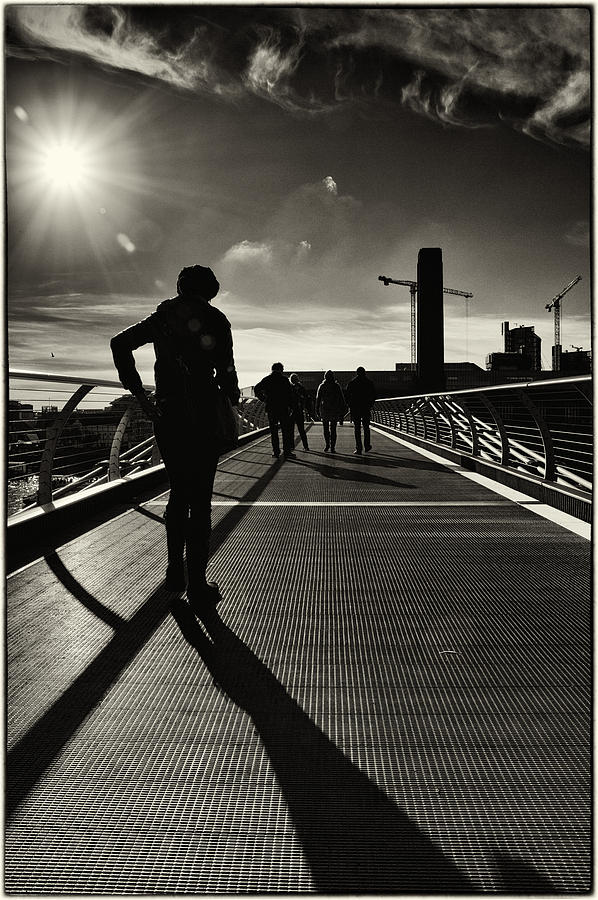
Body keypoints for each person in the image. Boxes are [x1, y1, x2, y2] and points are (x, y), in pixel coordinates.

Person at [110, 264, 239, 606]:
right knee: (200, 499)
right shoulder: (216, 320)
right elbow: (226, 368)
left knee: (179, 491)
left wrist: (137, 390)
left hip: (169, 413)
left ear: (181, 287)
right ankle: (197, 584)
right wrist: (232, 396)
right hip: (204, 413)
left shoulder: (161, 318)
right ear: (210, 289)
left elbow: (120, 343)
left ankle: (173, 571)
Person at [254, 363, 297, 459]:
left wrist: (263, 398)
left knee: (274, 431)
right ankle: (287, 451)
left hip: (271, 408)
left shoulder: (267, 379)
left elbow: (257, 389)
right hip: (283, 408)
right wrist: (292, 407)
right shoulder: (284, 380)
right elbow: (290, 395)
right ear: (281, 370)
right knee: (286, 431)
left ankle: (276, 451)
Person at [345, 366, 377, 455]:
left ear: (357, 373)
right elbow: (374, 395)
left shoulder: (352, 383)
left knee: (357, 428)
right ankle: (367, 445)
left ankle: (359, 448)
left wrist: (350, 405)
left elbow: (347, 396)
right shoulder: (369, 383)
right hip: (365, 407)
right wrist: (370, 404)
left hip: (355, 408)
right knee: (366, 427)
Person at [315, 370, 346, 453]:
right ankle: (332, 447)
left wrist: (317, 409)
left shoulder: (322, 386)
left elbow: (318, 399)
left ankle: (327, 444)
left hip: (325, 409)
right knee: (333, 429)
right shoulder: (336, 386)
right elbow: (341, 399)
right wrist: (342, 411)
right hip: (334, 410)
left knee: (325, 429)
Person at [289, 373, 309, 450]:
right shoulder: (301, 388)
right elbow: (305, 398)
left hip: (292, 411)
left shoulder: (290, 388)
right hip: (299, 410)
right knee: (301, 430)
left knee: (291, 430)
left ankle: (291, 446)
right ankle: (305, 446)